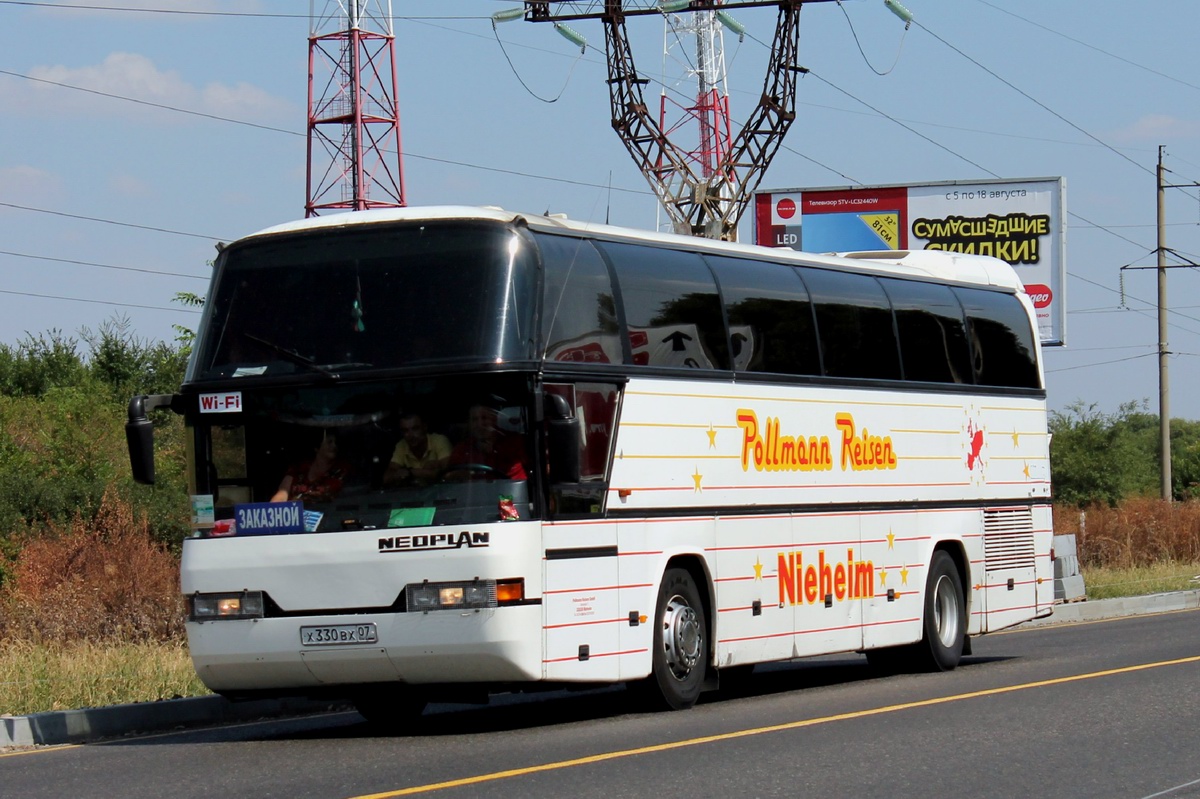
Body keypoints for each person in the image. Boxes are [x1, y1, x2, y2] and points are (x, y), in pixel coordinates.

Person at [446, 403, 528, 481]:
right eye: (474, 419)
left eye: (484, 418)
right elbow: (450, 476)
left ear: (494, 419)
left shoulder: (515, 442)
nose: (480, 424)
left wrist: (493, 453)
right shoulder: (462, 449)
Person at [271, 430, 351, 503]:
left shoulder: (343, 469)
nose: (334, 446)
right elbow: (282, 493)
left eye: (335, 443)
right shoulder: (298, 468)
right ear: (317, 448)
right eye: (329, 442)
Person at [384, 412, 451, 486]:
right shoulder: (401, 445)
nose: (410, 435)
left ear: (425, 427)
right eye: (405, 431)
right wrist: (425, 472)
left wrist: (409, 472)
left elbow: (446, 471)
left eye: (415, 429)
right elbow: (387, 477)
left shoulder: (439, 440)